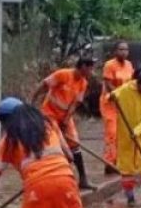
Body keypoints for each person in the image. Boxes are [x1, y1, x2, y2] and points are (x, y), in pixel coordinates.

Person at [32, 56, 96, 190]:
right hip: (49, 114)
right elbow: (43, 85)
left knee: (75, 143)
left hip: (65, 115)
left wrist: (66, 119)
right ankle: (53, 177)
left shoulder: (83, 83)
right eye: (90, 68)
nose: (92, 72)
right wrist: (33, 102)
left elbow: (75, 103)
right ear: (83, 66)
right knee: (59, 144)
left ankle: (83, 179)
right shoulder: (63, 74)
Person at [110, 68, 141, 207]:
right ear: (139, 83)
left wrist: (138, 130)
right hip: (126, 131)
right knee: (127, 164)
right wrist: (112, 96)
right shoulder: (126, 89)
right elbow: (112, 95)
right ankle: (130, 197)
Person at [99, 41, 134, 175]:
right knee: (111, 133)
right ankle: (109, 163)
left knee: (121, 133)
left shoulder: (129, 65)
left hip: (123, 104)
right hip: (110, 103)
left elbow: (130, 84)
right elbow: (108, 84)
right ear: (115, 51)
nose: (123, 52)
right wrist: (117, 95)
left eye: (126, 50)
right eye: (121, 49)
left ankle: (118, 160)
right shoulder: (109, 65)